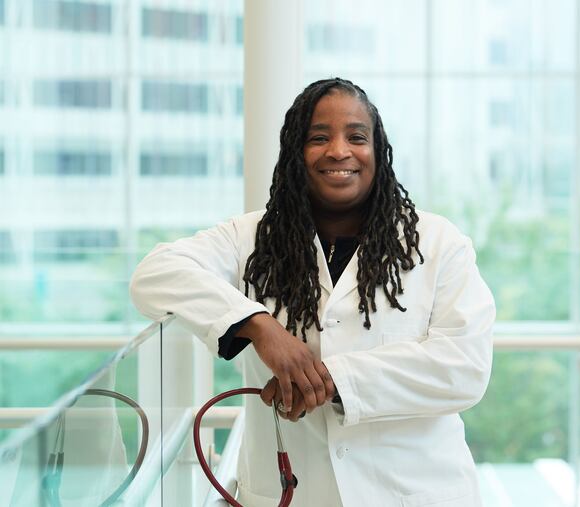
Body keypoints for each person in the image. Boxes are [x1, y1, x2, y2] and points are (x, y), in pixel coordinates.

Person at [130, 77, 494, 506]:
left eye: (356, 137)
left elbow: (464, 368)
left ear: (378, 151)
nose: (339, 151)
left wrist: (332, 379)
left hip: (414, 492)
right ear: (294, 153)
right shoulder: (250, 238)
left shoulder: (437, 242)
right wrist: (259, 326)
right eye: (318, 138)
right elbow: (154, 274)